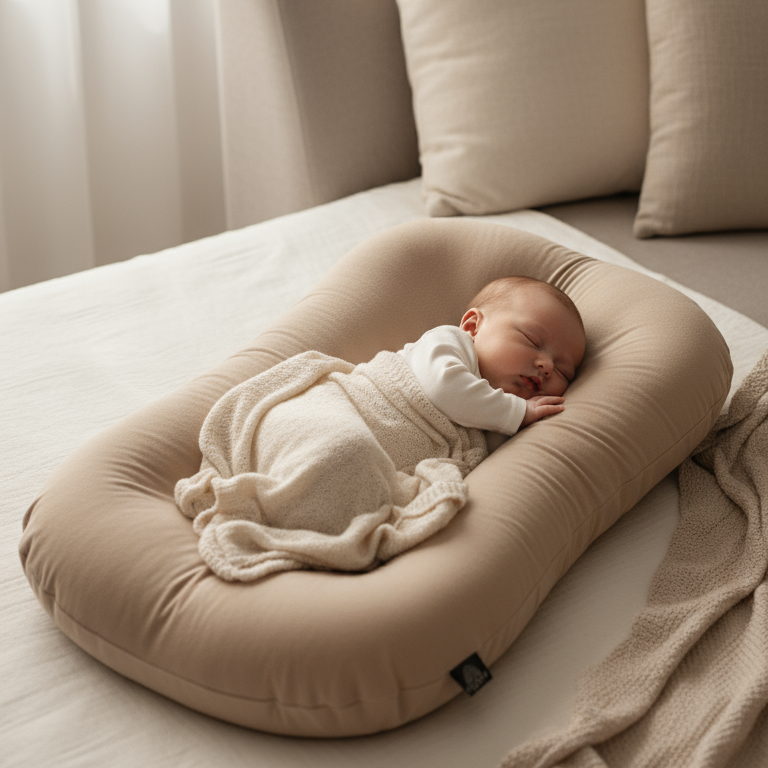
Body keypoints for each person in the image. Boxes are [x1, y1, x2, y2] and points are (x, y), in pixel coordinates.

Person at [398, 276, 586, 437]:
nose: (547, 366)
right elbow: (442, 388)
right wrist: (518, 412)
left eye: (563, 371)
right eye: (532, 340)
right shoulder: (449, 342)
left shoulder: (498, 421)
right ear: (473, 327)